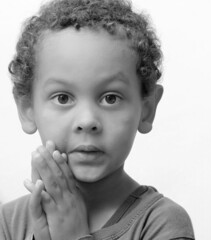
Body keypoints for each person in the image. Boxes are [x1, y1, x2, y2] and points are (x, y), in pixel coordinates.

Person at [0, 0, 195, 239]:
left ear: (147, 108)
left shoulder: (162, 224)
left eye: (110, 98)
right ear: (27, 108)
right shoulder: (7, 224)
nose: (87, 120)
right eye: (63, 98)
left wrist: (73, 236)